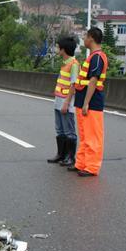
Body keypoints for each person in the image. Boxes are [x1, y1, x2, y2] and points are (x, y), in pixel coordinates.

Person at [68, 27, 108, 177]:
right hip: (82, 100)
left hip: (91, 102)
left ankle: (91, 167)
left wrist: (86, 103)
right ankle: (81, 164)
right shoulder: (92, 56)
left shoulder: (97, 57)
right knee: (85, 136)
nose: (84, 39)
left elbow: (93, 80)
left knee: (93, 137)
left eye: (85, 36)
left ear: (91, 38)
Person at [47, 37, 79, 167]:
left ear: (63, 49)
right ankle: (61, 155)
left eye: (58, 47)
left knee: (69, 131)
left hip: (66, 103)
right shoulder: (65, 63)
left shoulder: (74, 64)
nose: (56, 49)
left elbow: (73, 85)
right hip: (58, 101)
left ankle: (70, 157)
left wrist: (66, 103)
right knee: (60, 130)